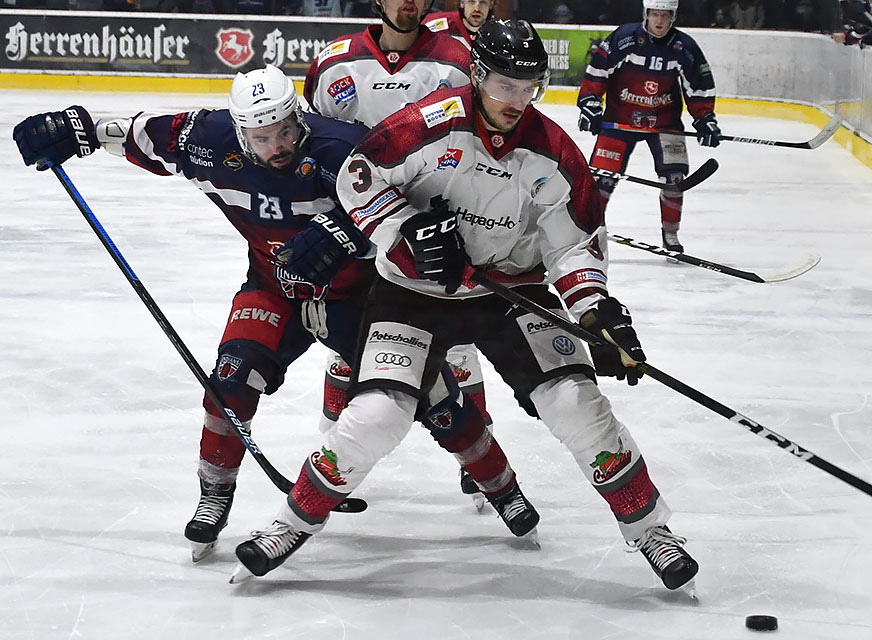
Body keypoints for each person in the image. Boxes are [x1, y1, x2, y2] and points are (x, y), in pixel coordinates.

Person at [230, 20, 700, 597]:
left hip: (509, 292)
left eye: (529, 86)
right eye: (505, 84)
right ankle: (292, 522)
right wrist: (406, 234)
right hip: (411, 294)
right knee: (377, 415)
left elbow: (572, 243)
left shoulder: (551, 152)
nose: (516, 100)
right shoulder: (429, 123)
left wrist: (596, 311)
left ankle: (651, 530)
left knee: (577, 404)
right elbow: (360, 177)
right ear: (477, 75)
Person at [12, 65, 539, 562]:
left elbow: (414, 211)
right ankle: (214, 496)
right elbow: (135, 132)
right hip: (273, 290)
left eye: (286, 131)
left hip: (358, 298)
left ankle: (501, 486)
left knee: (435, 395)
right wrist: (74, 127)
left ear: (298, 117)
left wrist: (348, 235)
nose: (278, 146)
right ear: (240, 133)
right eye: (262, 138)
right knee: (229, 385)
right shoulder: (208, 141)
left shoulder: (343, 147)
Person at [303, 0, 495, 505]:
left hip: (436, 235)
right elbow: (315, 149)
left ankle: (479, 463)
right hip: (356, 231)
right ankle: (331, 452)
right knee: (347, 351)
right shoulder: (333, 63)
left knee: (457, 349)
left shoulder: (458, 58)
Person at [577, 0, 720, 255]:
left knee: (674, 179)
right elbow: (598, 70)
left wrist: (705, 118)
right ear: (646, 14)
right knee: (602, 179)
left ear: (673, 16)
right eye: (655, 14)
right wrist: (590, 105)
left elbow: (699, 83)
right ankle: (590, 231)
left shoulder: (683, 47)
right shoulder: (625, 38)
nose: (660, 21)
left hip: (664, 121)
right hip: (619, 120)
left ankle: (671, 233)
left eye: (666, 15)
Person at [424, 0, 496, 48]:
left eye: (483, 2)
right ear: (462, 3)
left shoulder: (496, 35)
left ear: (491, 5)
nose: (477, 9)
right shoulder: (436, 24)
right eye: (471, 1)